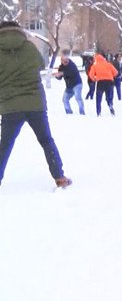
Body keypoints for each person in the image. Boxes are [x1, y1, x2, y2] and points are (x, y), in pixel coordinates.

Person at [0, 21, 71, 188]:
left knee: (4, 145)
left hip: (10, 106)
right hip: (35, 104)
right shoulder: (30, 47)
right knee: (46, 140)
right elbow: (41, 64)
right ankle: (59, 177)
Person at [53, 50, 85, 115]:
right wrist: (57, 76)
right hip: (69, 86)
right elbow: (60, 78)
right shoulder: (61, 67)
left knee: (78, 97)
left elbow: (71, 73)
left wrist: (62, 73)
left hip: (77, 84)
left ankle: (82, 112)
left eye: (66, 60)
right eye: (63, 61)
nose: (65, 62)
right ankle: (69, 112)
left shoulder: (72, 65)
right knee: (65, 99)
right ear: (61, 61)